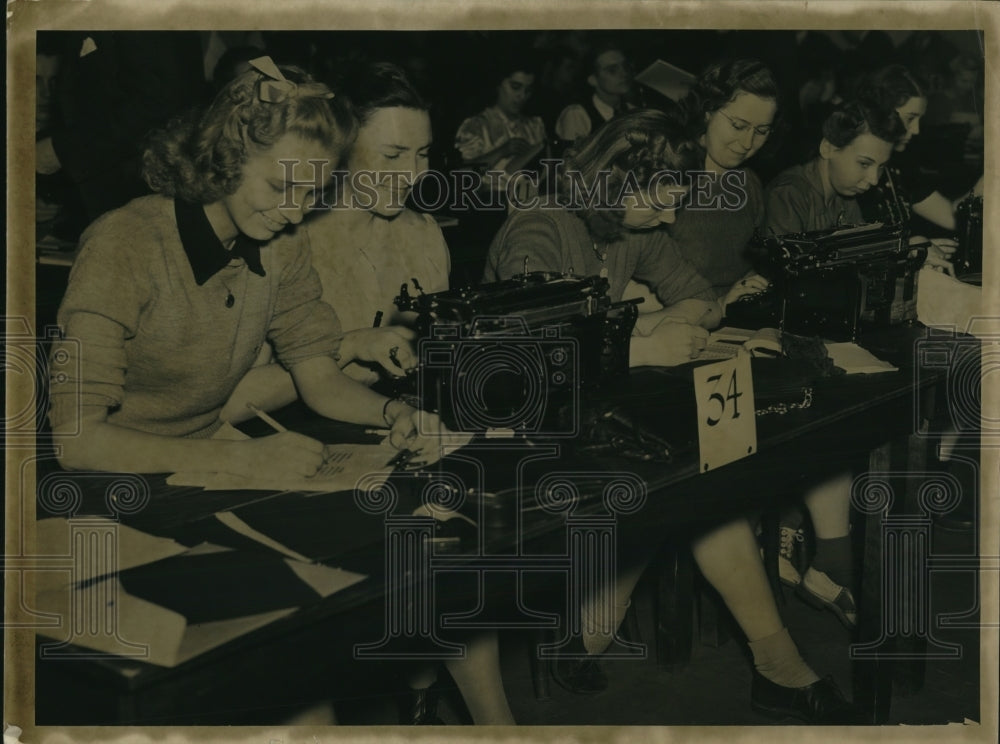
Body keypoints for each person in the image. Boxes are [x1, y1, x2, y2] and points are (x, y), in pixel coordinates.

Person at [485, 108, 860, 723]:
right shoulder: (540, 227)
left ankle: (616, 636)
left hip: (598, 404)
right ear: (615, 181)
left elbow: (703, 301)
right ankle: (776, 668)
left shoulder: (627, 225)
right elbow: (531, 358)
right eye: (660, 202)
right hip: (523, 425)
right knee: (698, 480)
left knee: (707, 472)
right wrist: (640, 344)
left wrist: (653, 324)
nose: (669, 217)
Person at [223, 61, 513, 726]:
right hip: (282, 446)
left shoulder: (422, 233)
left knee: (473, 517)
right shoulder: (287, 231)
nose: (411, 175)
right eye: (391, 154)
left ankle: (485, 720)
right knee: (435, 526)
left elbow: (430, 366)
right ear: (342, 148)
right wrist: (344, 352)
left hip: (379, 433)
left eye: (422, 154)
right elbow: (236, 397)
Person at [855, 63, 983, 232]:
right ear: (883, 113)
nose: (916, 130)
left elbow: (949, 217)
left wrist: (985, 183)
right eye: (910, 119)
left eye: (919, 120)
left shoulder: (902, 165)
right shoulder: (853, 162)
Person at [554, 41, 634, 143]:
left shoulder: (633, 110)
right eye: (612, 70)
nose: (624, 73)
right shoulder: (577, 115)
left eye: (625, 66)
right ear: (593, 80)